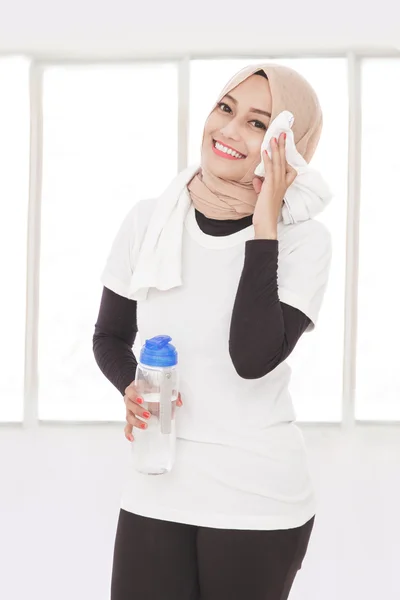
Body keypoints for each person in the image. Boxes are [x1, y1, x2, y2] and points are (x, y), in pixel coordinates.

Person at [93, 63, 332, 600]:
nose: (228, 130)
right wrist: (133, 386)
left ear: (286, 147)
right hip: (158, 483)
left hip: (258, 496)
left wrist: (265, 224)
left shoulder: (303, 242)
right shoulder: (149, 220)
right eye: (225, 108)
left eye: (257, 123)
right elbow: (109, 337)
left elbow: (251, 357)